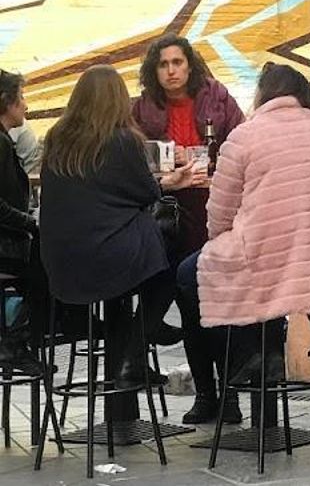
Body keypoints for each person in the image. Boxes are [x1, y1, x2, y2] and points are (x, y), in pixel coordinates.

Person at [175, 64, 310, 394]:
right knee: (265, 275)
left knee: (190, 274)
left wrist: (220, 238)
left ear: (262, 94)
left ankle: (247, 358)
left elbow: (220, 210)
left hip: (265, 254)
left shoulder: (244, 136)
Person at [38, 66, 194, 390]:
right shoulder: (121, 141)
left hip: (60, 264)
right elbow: (148, 194)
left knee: (145, 242)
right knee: (169, 266)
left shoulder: (55, 139)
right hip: (108, 263)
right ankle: (137, 348)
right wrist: (169, 182)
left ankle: (144, 332)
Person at [130, 35, 245, 421]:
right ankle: (206, 395)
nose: (171, 71)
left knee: (219, 309)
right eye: (163, 65)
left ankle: (229, 397)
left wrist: (216, 168)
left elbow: (242, 145)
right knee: (189, 308)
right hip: (170, 219)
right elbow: (131, 165)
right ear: (154, 70)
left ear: (190, 65)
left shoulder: (218, 99)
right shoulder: (142, 110)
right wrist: (166, 167)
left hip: (217, 212)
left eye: (177, 62)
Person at [0, 70, 47, 375]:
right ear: (7, 102)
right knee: (49, 267)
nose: (26, 106)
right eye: (22, 99)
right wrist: (32, 224)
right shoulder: (1, 144)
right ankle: (19, 341)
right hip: (5, 246)